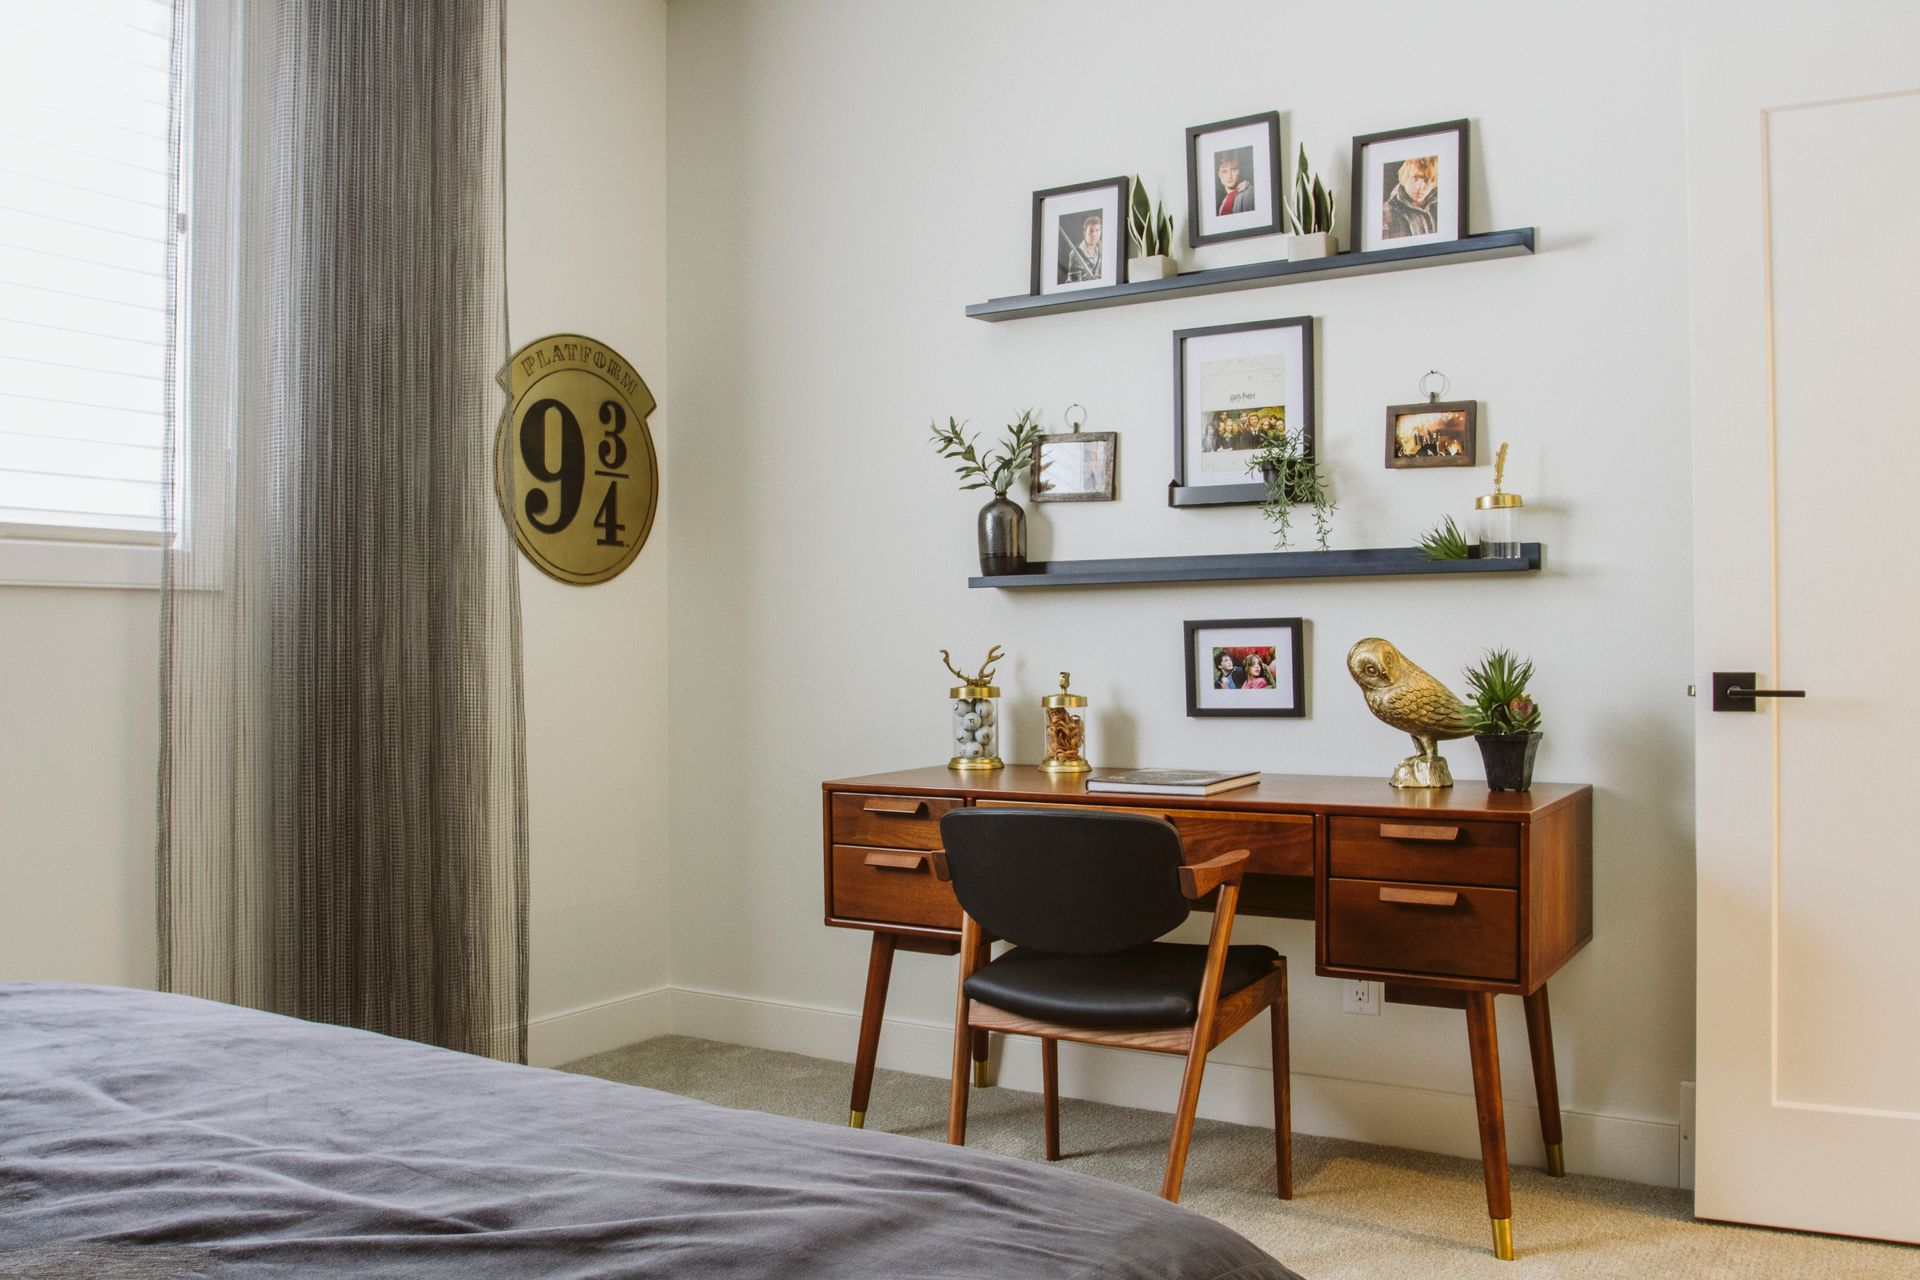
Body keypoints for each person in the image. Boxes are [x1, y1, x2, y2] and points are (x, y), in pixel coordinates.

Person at [1382, 155, 1438, 239]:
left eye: (1427, 180)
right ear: (1404, 176)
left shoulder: (1443, 206)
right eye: (1415, 178)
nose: (1420, 187)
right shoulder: (1386, 212)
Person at [1062, 211, 1103, 283]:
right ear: (1084, 233)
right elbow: (1074, 282)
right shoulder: (1074, 254)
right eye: (1091, 231)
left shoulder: (1102, 249)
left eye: (1097, 231)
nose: (1094, 234)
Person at [1215, 150, 1254, 216]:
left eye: (1233, 170)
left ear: (1239, 171)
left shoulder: (1250, 193)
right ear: (1219, 174)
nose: (1229, 176)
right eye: (1224, 171)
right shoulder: (1223, 204)